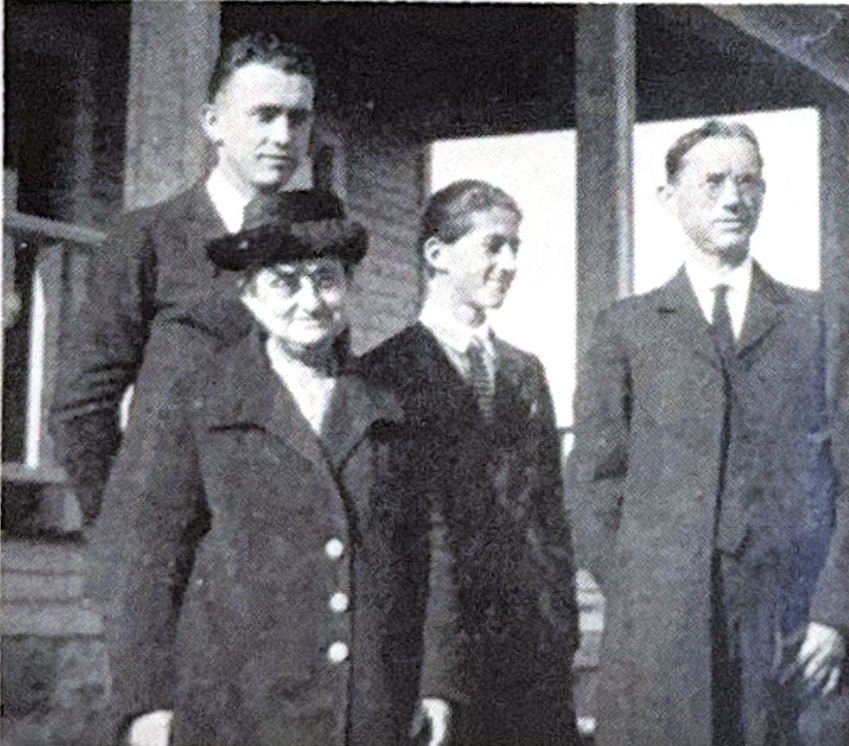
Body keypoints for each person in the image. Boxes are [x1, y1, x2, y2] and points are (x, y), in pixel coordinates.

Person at [567, 119, 849, 746]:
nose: (733, 198)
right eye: (713, 182)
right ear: (668, 198)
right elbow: (592, 485)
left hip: (791, 636)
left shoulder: (816, 323)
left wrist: (835, 614)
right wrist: (646, 591)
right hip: (665, 638)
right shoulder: (628, 329)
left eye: (748, 181)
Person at [90, 190, 430, 746]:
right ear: (249, 294)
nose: (310, 300)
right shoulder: (199, 398)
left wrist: (433, 682)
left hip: (365, 706)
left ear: (349, 288)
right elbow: (149, 556)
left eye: (326, 278)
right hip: (237, 705)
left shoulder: (390, 403)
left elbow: (427, 550)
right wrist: (145, 702)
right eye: (284, 281)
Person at [50, 32, 317, 522]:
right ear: (213, 122)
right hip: (182, 546)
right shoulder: (148, 238)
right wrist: (126, 531)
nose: (282, 136)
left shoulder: (316, 253)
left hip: (284, 548)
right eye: (264, 115)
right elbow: (81, 407)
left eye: (297, 118)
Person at [363, 180, 580, 746]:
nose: (509, 263)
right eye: (492, 246)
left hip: (532, 658)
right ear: (437, 254)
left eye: (516, 248)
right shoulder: (381, 375)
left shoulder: (525, 373)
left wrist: (560, 626)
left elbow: (548, 514)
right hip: (438, 664)